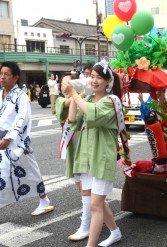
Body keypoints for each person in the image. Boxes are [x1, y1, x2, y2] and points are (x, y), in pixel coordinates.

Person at [62, 59, 123, 247]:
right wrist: (74, 96)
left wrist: (75, 95)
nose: (94, 81)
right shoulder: (87, 98)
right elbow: (73, 119)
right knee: (97, 201)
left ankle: (91, 245)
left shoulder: (112, 101)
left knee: (95, 204)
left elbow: (93, 115)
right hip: (87, 155)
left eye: (99, 78)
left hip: (102, 155)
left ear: (108, 82)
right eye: (92, 77)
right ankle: (115, 232)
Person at [0, 61, 54, 215]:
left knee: (31, 170)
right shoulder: (0, 94)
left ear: (16, 77)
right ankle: (43, 199)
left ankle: (44, 200)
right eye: (1, 73)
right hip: (2, 140)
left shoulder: (21, 96)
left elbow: (22, 118)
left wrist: (9, 138)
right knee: (4, 173)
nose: (2, 77)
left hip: (17, 141)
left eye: (6, 74)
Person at [56, 72, 91, 241]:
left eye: (70, 83)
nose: (66, 87)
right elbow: (69, 111)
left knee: (87, 190)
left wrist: (80, 94)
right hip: (73, 149)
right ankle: (99, 213)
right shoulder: (60, 101)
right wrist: (77, 94)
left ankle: (87, 224)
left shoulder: (85, 99)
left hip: (86, 149)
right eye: (63, 84)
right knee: (82, 189)